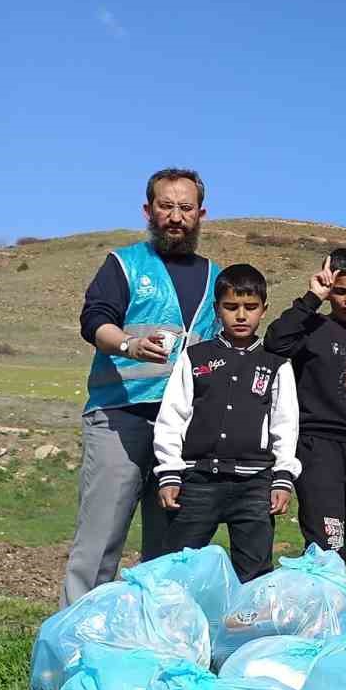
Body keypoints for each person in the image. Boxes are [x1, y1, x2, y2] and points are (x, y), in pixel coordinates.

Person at [62, 167, 222, 607]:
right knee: (100, 540)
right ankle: (76, 633)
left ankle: (154, 634)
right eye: (166, 206)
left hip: (184, 428)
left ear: (201, 213)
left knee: (170, 548)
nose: (176, 216)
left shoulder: (218, 277)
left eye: (185, 207)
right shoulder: (124, 264)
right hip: (121, 417)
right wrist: (128, 345)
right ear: (148, 211)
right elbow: (94, 320)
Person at [152, 264, 299, 582]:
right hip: (198, 482)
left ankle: (247, 616)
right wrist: (169, 473)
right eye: (231, 307)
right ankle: (175, 615)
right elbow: (172, 417)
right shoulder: (195, 358)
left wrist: (283, 477)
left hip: (254, 487)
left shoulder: (276, 364)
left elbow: (285, 425)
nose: (241, 316)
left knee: (255, 574)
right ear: (217, 309)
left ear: (264, 310)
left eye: (250, 307)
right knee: (177, 569)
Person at [262, 249, 346, 557]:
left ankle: (328, 588)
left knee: (343, 539)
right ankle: (317, 586)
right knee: (328, 542)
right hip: (318, 446)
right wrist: (312, 298)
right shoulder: (312, 328)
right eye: (340, 291)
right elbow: (275, 342)